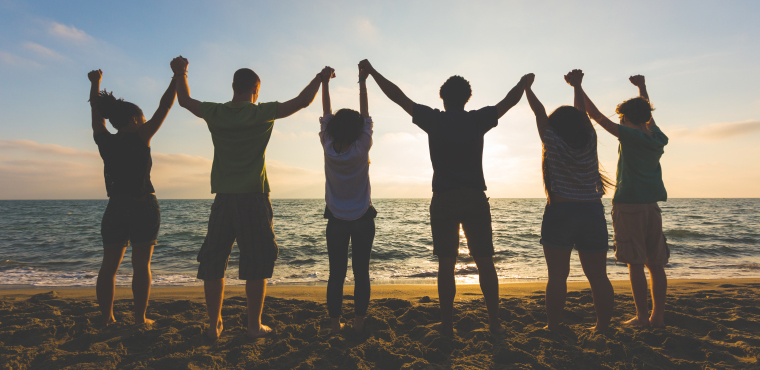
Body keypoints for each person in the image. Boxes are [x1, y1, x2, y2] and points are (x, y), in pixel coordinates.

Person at [358, 59, 529, 335]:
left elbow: (398, 97)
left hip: (445, 199)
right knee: (485, 261)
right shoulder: (476, 119)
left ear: (443, 97)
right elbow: (508, 102)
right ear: (467, 98)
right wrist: (523, 84)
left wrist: (372, 72)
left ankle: (448, 325)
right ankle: (495, 322)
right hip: (474, 197)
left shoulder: (434, 119)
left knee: (447, 264)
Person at [171, 56, 333, 340]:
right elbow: (302, 102)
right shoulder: (261, 113)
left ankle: (214, 325)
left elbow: (184, 100)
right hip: (254, 199)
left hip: (223, 198)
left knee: (213, 260)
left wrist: (181, 71)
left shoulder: (216, 112)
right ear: (256, 90)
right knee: (256, 261)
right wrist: (320, 79)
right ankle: (253, 325)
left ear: (233, 86)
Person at [524, 69, 615, 332]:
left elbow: (539, 113)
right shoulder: (590, 139)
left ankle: (553, 327)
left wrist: (528, 88)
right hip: (592, 212)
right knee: (598, 276)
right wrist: (577, 85)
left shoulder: (551, 140)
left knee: (557, 277)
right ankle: (603, 327)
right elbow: (582, 115)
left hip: (561, 212)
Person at [88, 67, 177, 326]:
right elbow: (165, 106)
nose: (146, 119)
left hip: (116, 207)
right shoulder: (142, 136)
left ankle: (107, 318)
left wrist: (95, 83)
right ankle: (140, 318)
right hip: (143, 206)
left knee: (109, 267)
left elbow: (96, 114)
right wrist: (177, 76)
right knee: (141, 266)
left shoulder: (104, 140)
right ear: (136, 120)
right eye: (143, 116)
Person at [583, 75, 669, 328]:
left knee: (635, 263)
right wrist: (642, 89)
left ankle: (642, 317)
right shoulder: (657, 137)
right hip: (651, 207)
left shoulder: (630, 136)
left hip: (629, 205)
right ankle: (658, 317)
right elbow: (647, 117)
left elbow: (597, 116)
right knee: (656, 264)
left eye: (622, 118)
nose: (620, 121)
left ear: (628, 119)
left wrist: (578, 88)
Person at [319, 63, 376, 334]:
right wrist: (362, 81)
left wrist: (325, 83)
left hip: (336, 220)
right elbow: (365, 116)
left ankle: (334, 324)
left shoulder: (328, 146)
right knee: (361, 272)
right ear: (357, 129)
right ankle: (358, 322)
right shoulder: (362, 145)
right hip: (363, 217)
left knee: (336, 274)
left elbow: (326, 115)